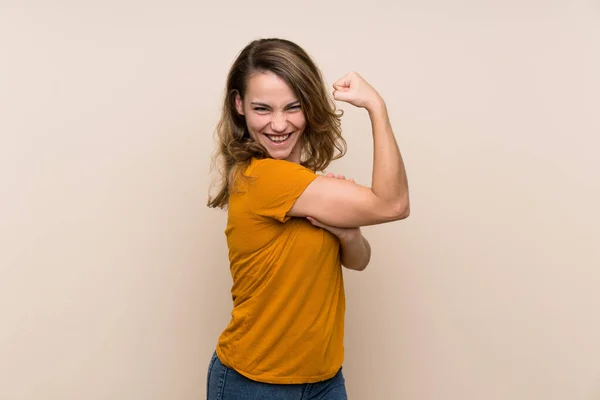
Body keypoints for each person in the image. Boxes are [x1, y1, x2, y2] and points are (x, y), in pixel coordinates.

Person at [206, 38, 410, 400]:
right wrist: (376, 107)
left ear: (309, 107)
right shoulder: (263, 179)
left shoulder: (305, 184)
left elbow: (358, 260)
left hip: (325, 379)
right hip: (256, 385)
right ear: (239, 105)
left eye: (293, 107)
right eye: (262, 108)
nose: (279, 124)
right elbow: (393, 204)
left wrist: (346, 234)